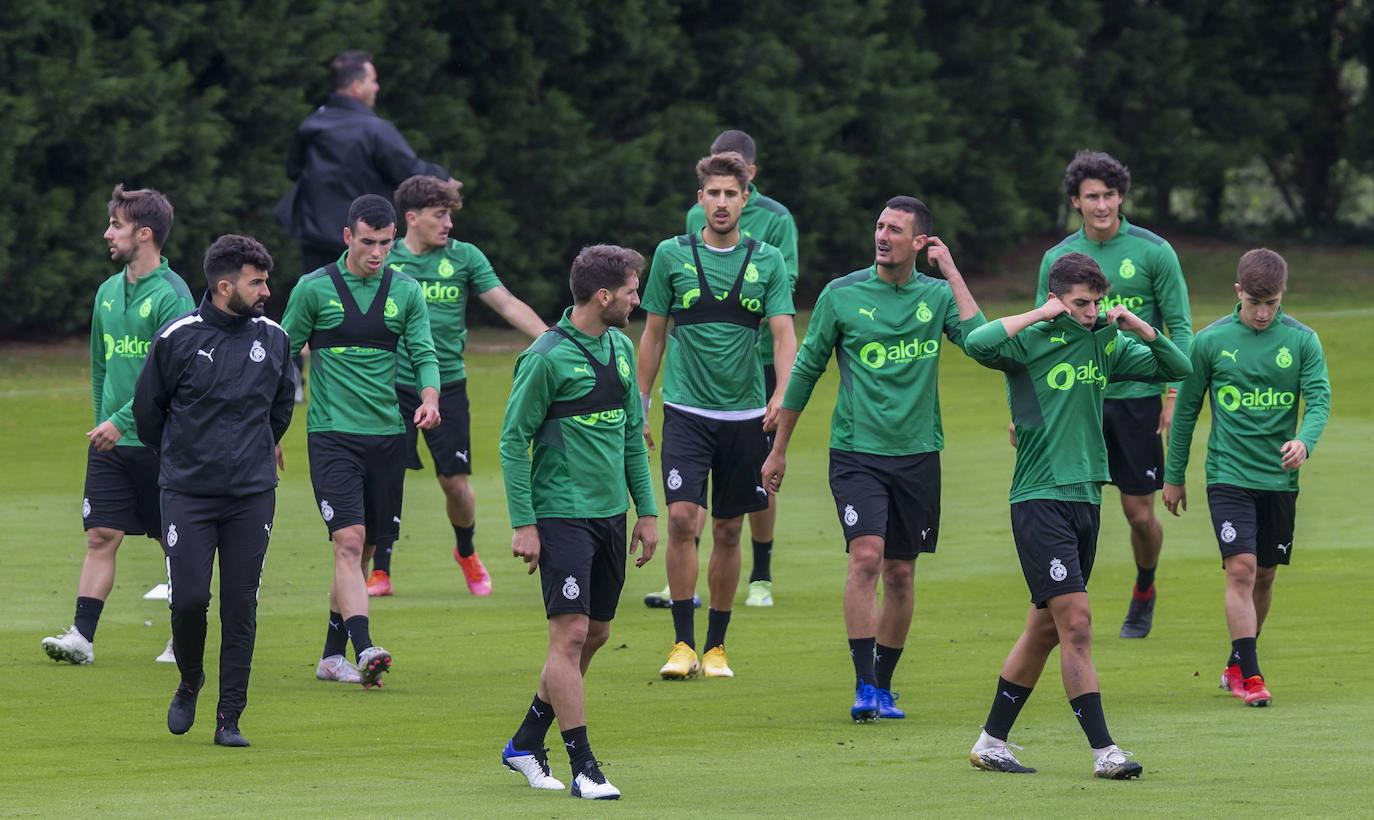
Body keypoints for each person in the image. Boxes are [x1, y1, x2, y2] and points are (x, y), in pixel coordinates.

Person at [965, 252, 1191, 778]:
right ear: (1056, 298)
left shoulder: (1106, 342)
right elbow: (977, 343)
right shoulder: (1026, 342)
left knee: (1044, 631)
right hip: (1039, 498)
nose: (1091, 313)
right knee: (1079, 624)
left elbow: (1179, 368)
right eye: (1080, 304)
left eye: (1097, 303)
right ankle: (1104, 752)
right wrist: (1041, 315)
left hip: (1087, 498)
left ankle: (990, 742)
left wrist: (1137, 325)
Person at [761, 196, 984, 722]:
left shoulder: (935, 296)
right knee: (866, 557)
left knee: (902, 573)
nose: (883, 236)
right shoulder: (841, 295)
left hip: (918, 455)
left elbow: (980, 342)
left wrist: (952, 273)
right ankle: (863, 684)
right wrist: (779, 449)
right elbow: (807, 371)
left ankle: (884, 684)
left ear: (919, 242)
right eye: (880, 226)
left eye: (896, 230)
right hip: (857, 453)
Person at [498, 245, 658, 799]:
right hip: (561, 514)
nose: (639, 299)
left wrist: (648, 512)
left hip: (612, 517)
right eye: (634, 290)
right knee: (568, 635)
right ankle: (584, 766)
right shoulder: (544, 358)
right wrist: (525, 523)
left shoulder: (620, 344)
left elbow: (632, 439)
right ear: (604, 295)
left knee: (597, 633)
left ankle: (524, 742)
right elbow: (512, 440)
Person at [638, 151, 796, 680]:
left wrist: (783, 395)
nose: (723, 202)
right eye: (714, 193)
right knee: (683, 519)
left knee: (729, 531)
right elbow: (654, 334)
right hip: (685, 411)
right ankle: (682, 644)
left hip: (747, 415)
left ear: (746, 198)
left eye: (732, 193)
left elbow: (782, 334)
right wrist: (640, 400)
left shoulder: (768, 259)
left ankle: (716, 648)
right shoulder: (669, 255)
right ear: (699, 198)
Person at [132, 235, 294, 747]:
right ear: (225, 287)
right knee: (190, 601)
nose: (267, 290)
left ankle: (230, 718)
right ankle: (188, 679)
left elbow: (280, 409)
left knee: (240, 604)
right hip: (187, 493)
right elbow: (147, 412)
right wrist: (185, 459)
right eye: (257, 282)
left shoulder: (273, 338)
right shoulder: (177, 337)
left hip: (251, 494)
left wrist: (253, 452)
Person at [281, 194, 442, 688]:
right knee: (347, 542)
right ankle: (365, 645)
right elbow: (278, 356)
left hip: (389, 437)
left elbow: (425, 354)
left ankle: (332, 656)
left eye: (386, 244)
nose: (377, 253)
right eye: (368, 242)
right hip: (331, 436)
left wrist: (431, 399)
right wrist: (269, 428)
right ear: (348, 237)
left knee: (365, 549)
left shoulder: (407, 292)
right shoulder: (313, 290)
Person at [1035, 150, 1193, 639]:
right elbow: (1039, 340)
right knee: (1071, 505)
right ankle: (1067, 607)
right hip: (1074, 398)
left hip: (1136, 397)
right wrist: (1029, 410)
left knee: (1138, 514)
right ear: (1075, 201)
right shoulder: (1056, 260)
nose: (1101, 205)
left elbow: (1181, 330)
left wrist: (1172, 395)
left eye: (1108, 195)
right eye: (1091, 196)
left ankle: (1145, 586)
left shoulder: (1154, 251)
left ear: (1121, 196)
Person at [1162, 249, 1329, 708]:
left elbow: (1317, 401)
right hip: (1228, 474)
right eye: (1255, 301)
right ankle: (1251, 676)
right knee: (1241, 568)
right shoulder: (1210, 341)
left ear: (1282, 296)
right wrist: (1173, 476)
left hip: (1278, 481)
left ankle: (1236, 660)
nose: (1262, 312)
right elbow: (1186, 413)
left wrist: (1305, 441)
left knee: (1265, 577)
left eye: (1271, 303)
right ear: (1238, 292)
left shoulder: (1302, 341)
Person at [369, 174, 547, 597]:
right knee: (384, 477)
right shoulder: (382, 258)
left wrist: (554, 343)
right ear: (411, 218)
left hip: (447, 385)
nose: (449, 223)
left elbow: (504, 302)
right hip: (391, 386)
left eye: (450, 214)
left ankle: (466, 551)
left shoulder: (465, 257)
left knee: (455, 483)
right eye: (439, 215)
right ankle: (380, 569)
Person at [42, 185, 194, 666]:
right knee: (100, 536)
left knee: (175, 544)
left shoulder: (173, 295)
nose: (108, 234)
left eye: (117, 226)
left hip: (161, 445)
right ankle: (81, 639)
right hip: (110, 445)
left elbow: (170, 379)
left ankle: (182, 640)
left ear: (144, 234)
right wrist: (101, 422)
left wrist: (122, 421)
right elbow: (100, 367)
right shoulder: (107, 291)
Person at [274, 50, 452, 288]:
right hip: (366, 240)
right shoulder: (375, 130)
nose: (377, 87)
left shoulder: (311, 125)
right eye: (373, 80)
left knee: (318, 308)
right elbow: (410, 174)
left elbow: (293, 170)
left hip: (315, 239)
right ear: (357, 86)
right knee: (364, 312)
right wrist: (444, 179)